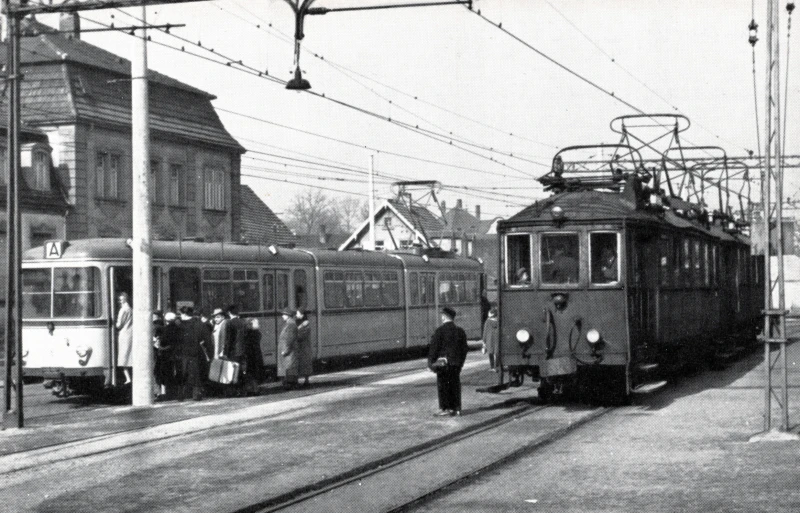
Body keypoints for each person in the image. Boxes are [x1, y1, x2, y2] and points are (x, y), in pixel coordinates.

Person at [428, 306, 469, 416]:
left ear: (444, 317)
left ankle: (445, 409)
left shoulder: (440, 331)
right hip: (456, 364)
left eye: (442, 315)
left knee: (443, 386)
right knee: (455, 385)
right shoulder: (460, 331)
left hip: (443, 364)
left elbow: (434, 349)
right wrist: (460, 363)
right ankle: (457, 408)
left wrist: (431, 364)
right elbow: (464, 349)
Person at [175, 306, 212, 401]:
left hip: (182, 353)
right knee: (196, 373)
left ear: (183, 314)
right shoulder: (199, 324)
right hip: (196, 352)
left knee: (182, 373)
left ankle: (181, 395)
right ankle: (197, 394)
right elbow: (208, 340)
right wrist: (210, 353)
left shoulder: (178, 326)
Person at [155, 311, 179, 400]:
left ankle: (167, 394)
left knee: (166, 374)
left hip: (167, 355)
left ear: (166, 320)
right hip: (176, 354)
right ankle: (174, 393)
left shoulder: (166, 330)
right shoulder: (179, 329)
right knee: (173, 374)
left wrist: (161, 348)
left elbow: (165, 342)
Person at [241, 318, 266, 395]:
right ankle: (255, 389)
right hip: (256, 354)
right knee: (255, 372)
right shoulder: (257, 333)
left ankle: (253, 389)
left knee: (250, 372)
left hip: (250, 354)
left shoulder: (249, 333)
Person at [278, 307, 299, 389]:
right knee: (289, 367)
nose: (282, 316)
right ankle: (290, 383)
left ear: (288, 315)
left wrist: (285, 350)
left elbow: (290, 339)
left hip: (289, 351)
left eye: (284, 314)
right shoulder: (289, 324)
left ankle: (291, 384)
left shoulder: (290, 325)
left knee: (290, 367)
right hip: (289, 350)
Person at [115, 292, 133, 385]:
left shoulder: (123, 310)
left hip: (124, 334)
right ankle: (130, 377)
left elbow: (119, 325)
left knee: (123, 358)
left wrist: (115, 324)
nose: (119, 301)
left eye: (121, 300)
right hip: (130, 334)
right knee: (129, 356)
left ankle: (128, 378)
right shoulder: (131, 309)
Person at [296, 309, 313, 387]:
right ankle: (304, 380)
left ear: (302, 315)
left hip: (304, 347)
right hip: (302, 347)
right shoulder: (302, 324)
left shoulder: (306, 325)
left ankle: (306, 380)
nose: (296, 315)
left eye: (298, 314)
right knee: (302, 364)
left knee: (305, 363)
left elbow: (301, 336)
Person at [482, 307, 499, 371]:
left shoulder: (487, 322)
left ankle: (492, 367)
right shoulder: (499, 321)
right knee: (497, 353)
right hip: (497, 339)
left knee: (490, 353)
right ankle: (497, 366)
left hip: (489, 340)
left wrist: (484, 341)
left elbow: (485, 332)